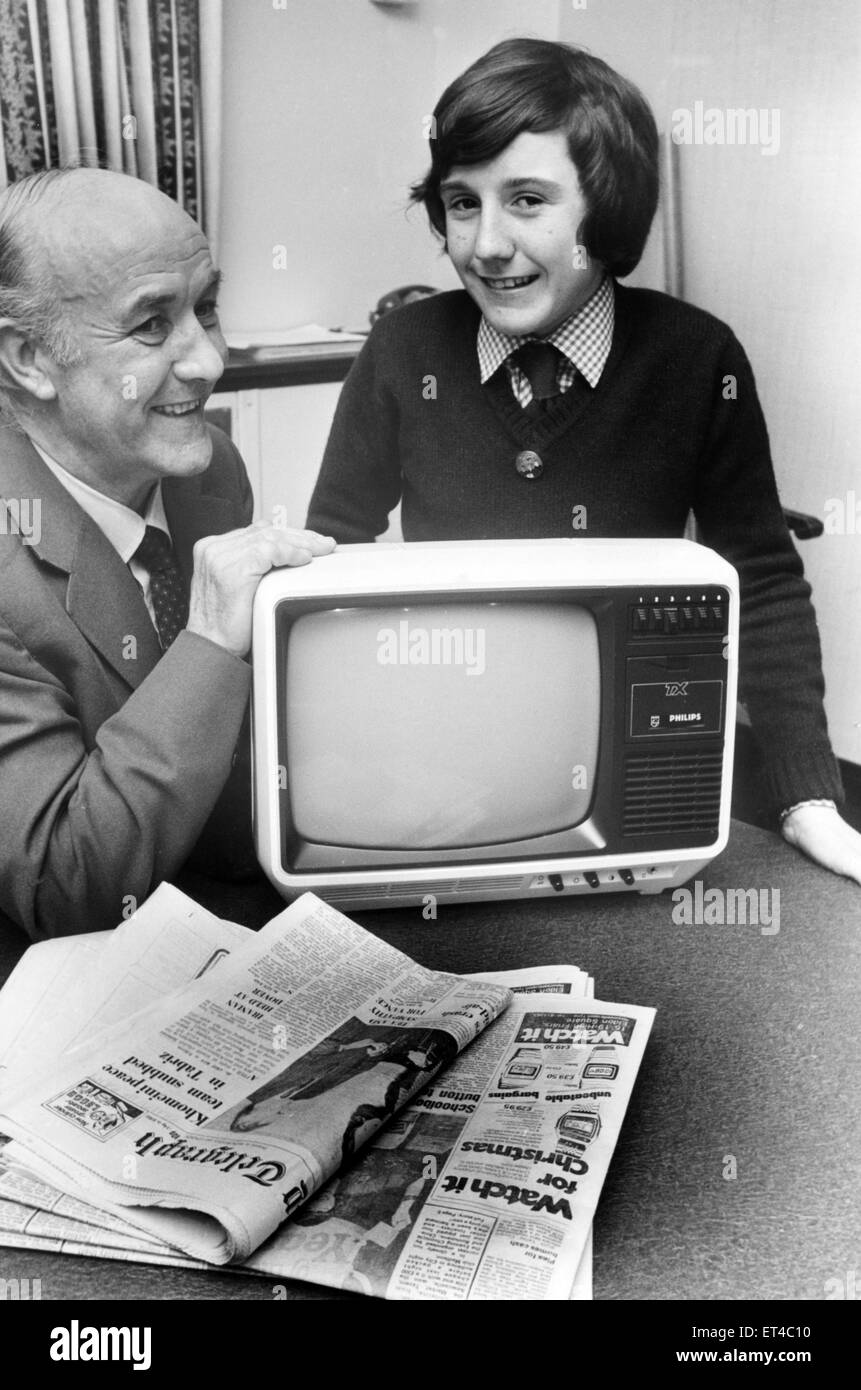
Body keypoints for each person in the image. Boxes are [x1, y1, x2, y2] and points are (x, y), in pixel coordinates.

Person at [307, 37, 861, 887]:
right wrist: (358, 772)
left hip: (632, 772)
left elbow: (762, 575)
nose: (486, 243)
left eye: (526, 200)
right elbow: (329, 557)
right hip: (439, 769)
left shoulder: (695, 358)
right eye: (461, 203)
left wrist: (807, 801)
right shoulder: (401, 349)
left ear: (604, 211)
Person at [0, 167, 334, 941]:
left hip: (217, 916)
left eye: (205, 308)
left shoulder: (209, 468)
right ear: (28, 360)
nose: (209, 362)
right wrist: (211, 641)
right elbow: (65, 886)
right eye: (152, 324)